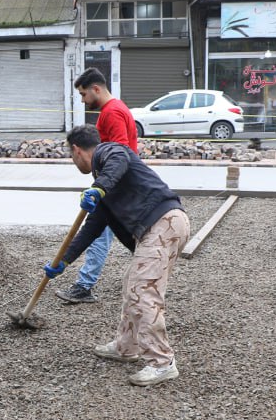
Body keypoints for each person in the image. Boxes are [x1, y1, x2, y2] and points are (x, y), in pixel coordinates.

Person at [43, 125, 190, 387]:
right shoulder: (105, 186)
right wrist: (63, 260)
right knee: (132, 285)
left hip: (163, 223)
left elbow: (120, 158)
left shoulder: (108, 152)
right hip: (159, 227)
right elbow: (91, 228)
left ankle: (162, 362)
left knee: (144, 291)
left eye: (71, 155)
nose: (73, 161)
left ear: (77, 150)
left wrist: (99, 187)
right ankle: (127, 347)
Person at [56, 68, 139, 305]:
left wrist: (103, 188)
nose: (82, 100)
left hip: (116, 185)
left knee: (99, 234)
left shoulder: (111, 112)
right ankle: (150, 269)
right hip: (117, 183)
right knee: (128, 235)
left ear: (96, 89)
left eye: (83, 94)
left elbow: (120, 152)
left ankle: (84, 286)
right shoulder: (115, 109)